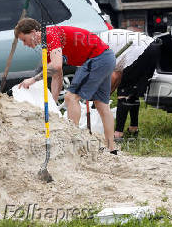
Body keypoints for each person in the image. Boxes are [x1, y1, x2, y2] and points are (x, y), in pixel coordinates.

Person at [15, 18, 117, 154]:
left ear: (33, 32)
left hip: (97, 58)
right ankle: (112, 149)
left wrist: (33, 79)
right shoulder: (48, 42)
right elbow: (57, 74)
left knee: (70, 97)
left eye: (24, 39)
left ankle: (73, 143)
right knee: (101, 105)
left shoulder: (50, 34)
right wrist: (53, 104)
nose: (24, 44)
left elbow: (56, 65)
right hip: (106, 57)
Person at [99, 29, 154, 140]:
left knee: (123, 92)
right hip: (152, 47)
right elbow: (116, 75)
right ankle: (133, 128)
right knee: (133, 91)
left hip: (139, 50)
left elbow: (115, 76)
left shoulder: (100, 49)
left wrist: (104, 97)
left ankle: (118, 134)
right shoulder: (104, 40)